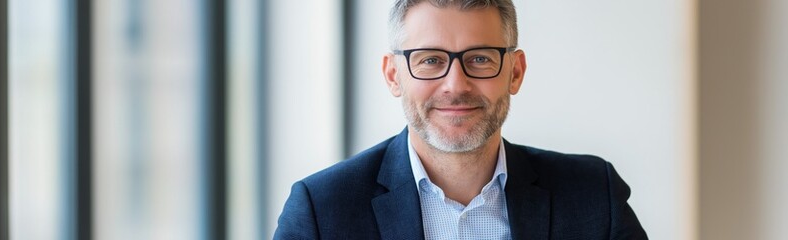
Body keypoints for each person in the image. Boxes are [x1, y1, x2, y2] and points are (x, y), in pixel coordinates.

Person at [273, 0, 647, 239]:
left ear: (515, 72)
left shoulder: (594, 197)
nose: (456, 85)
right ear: (393, 75)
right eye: (430, 60)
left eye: (480, 58)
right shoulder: (322, 211)